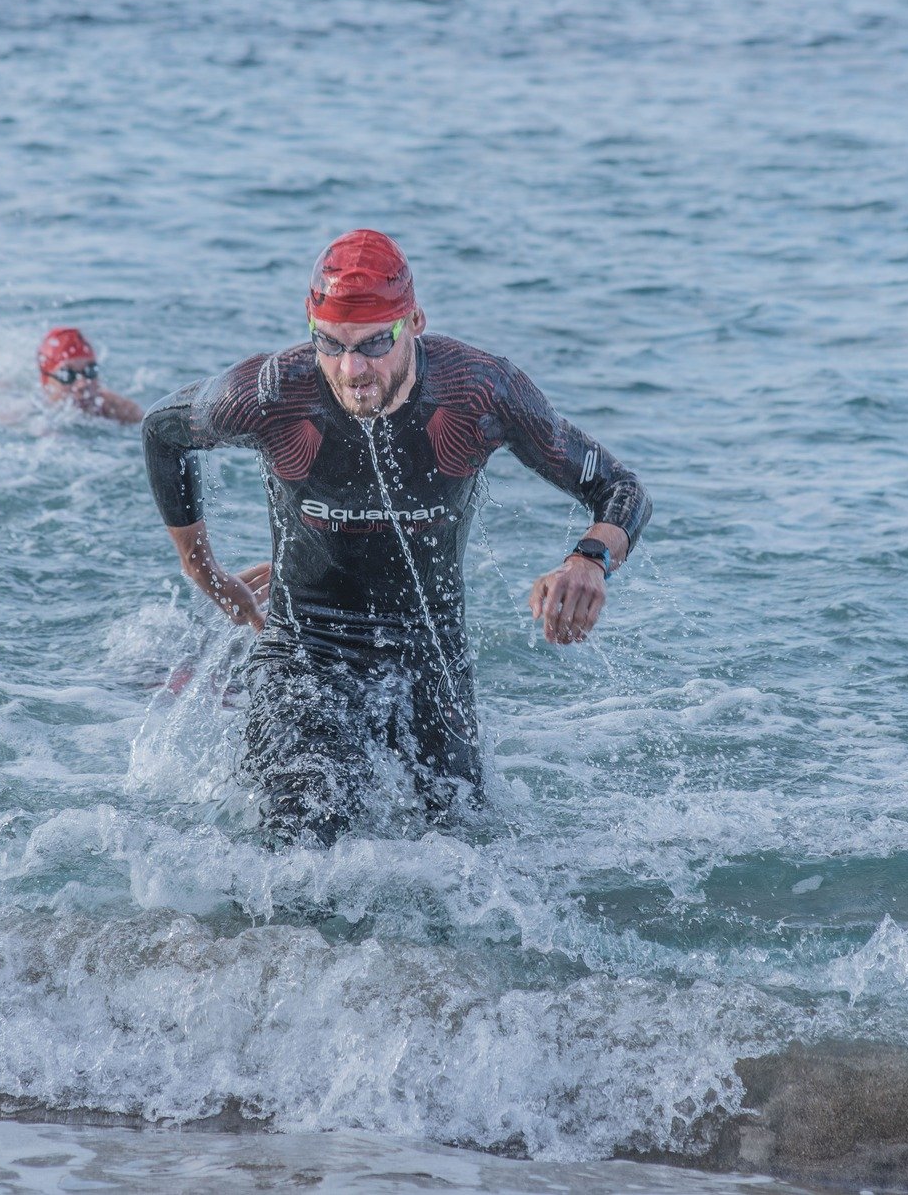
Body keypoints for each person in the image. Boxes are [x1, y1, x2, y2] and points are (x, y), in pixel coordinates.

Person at [141, 229, 651, 844]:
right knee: (300, 843)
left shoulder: (477, 392)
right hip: (307, 648)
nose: (353, 370)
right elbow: (162, 431)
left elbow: (621, 490)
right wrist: (204, 572)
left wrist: (589, 560)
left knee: (468, 851)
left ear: (415, 322)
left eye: (375, 344)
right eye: (329, 344)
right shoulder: (272, 396)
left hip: (429, 650)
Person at [38, 327, 143, 424]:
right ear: (45, 381)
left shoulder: (122, 410)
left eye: (90, 371)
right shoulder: (31, 417)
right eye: (67, 375)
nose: (82, 384)